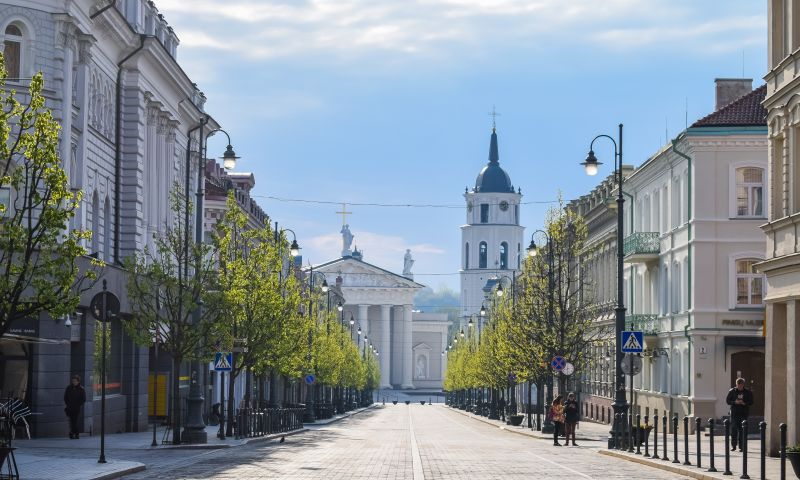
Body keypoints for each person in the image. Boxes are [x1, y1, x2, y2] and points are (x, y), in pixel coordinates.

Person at [726, 377, 754, 452]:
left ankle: (742, 447)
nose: (740, 387)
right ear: (736, 384)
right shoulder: (732, 391)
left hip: (743, 413)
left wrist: (744, 403)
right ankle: (734, 446)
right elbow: (728, 401)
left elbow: (751, 402)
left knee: (742, 430)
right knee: (734, 429)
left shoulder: (747, 392)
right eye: (738, 385)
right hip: (734, 413)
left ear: (743, 385)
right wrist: (735, 402)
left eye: (741, 385)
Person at [63, 374, 86, 439]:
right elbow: (65, 397)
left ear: (78, 381)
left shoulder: (81, 389)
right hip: (69, 407)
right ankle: (75, 433)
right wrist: (68, 404)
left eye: (75, 381)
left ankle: (72, 433)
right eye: (73, 381)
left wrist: (78, 404)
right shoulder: (69, 388)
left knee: (74, 421)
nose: (74, 382)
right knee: (72, 421)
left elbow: (83, 399)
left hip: (76, 408)